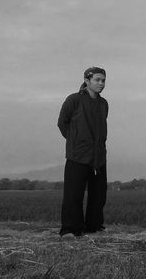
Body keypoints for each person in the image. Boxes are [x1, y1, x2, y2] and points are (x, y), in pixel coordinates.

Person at [57, 67, 109, 238]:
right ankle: (70, 229)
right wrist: (75, 141)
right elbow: (62, 123)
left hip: (99, 156)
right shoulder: (74, 100)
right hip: (77, 156)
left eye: (103, 80)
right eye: (97, 80)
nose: (101, 83)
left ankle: (93, 227)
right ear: (87, 81)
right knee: (73, 194)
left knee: (99, 195)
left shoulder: (104, 104)